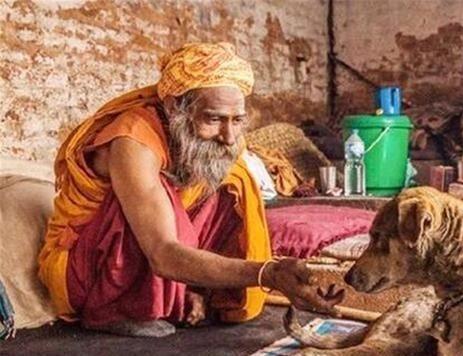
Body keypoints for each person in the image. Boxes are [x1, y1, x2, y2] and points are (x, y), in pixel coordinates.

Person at [38, 42, 344, 337]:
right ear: (175, 107)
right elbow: (162, 253)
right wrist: (270, 274)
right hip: (88, 273)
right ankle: (118, 310)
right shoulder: (134, 139)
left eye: (237, 120)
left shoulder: (220, 139)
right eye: (214, 119)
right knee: (158, 194)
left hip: (161, 251)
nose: (228, 135)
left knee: (232, 182)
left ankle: (191, 291)